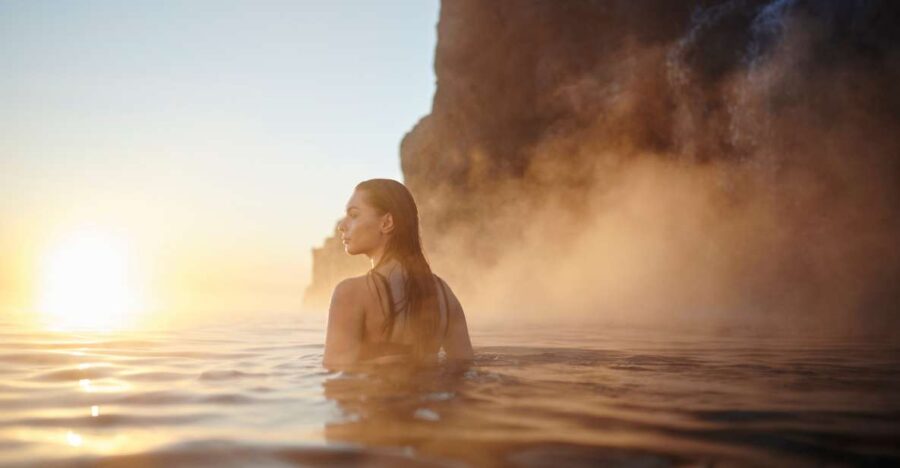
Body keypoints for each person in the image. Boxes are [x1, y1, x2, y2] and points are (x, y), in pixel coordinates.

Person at [323, 179, 473, 370]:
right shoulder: (444, 294)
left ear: (387, 223)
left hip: (376, 398)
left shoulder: (351, 292)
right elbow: (464, 367)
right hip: (431, 399)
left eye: (354, 215)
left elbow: (336, 381)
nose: (342, 225)